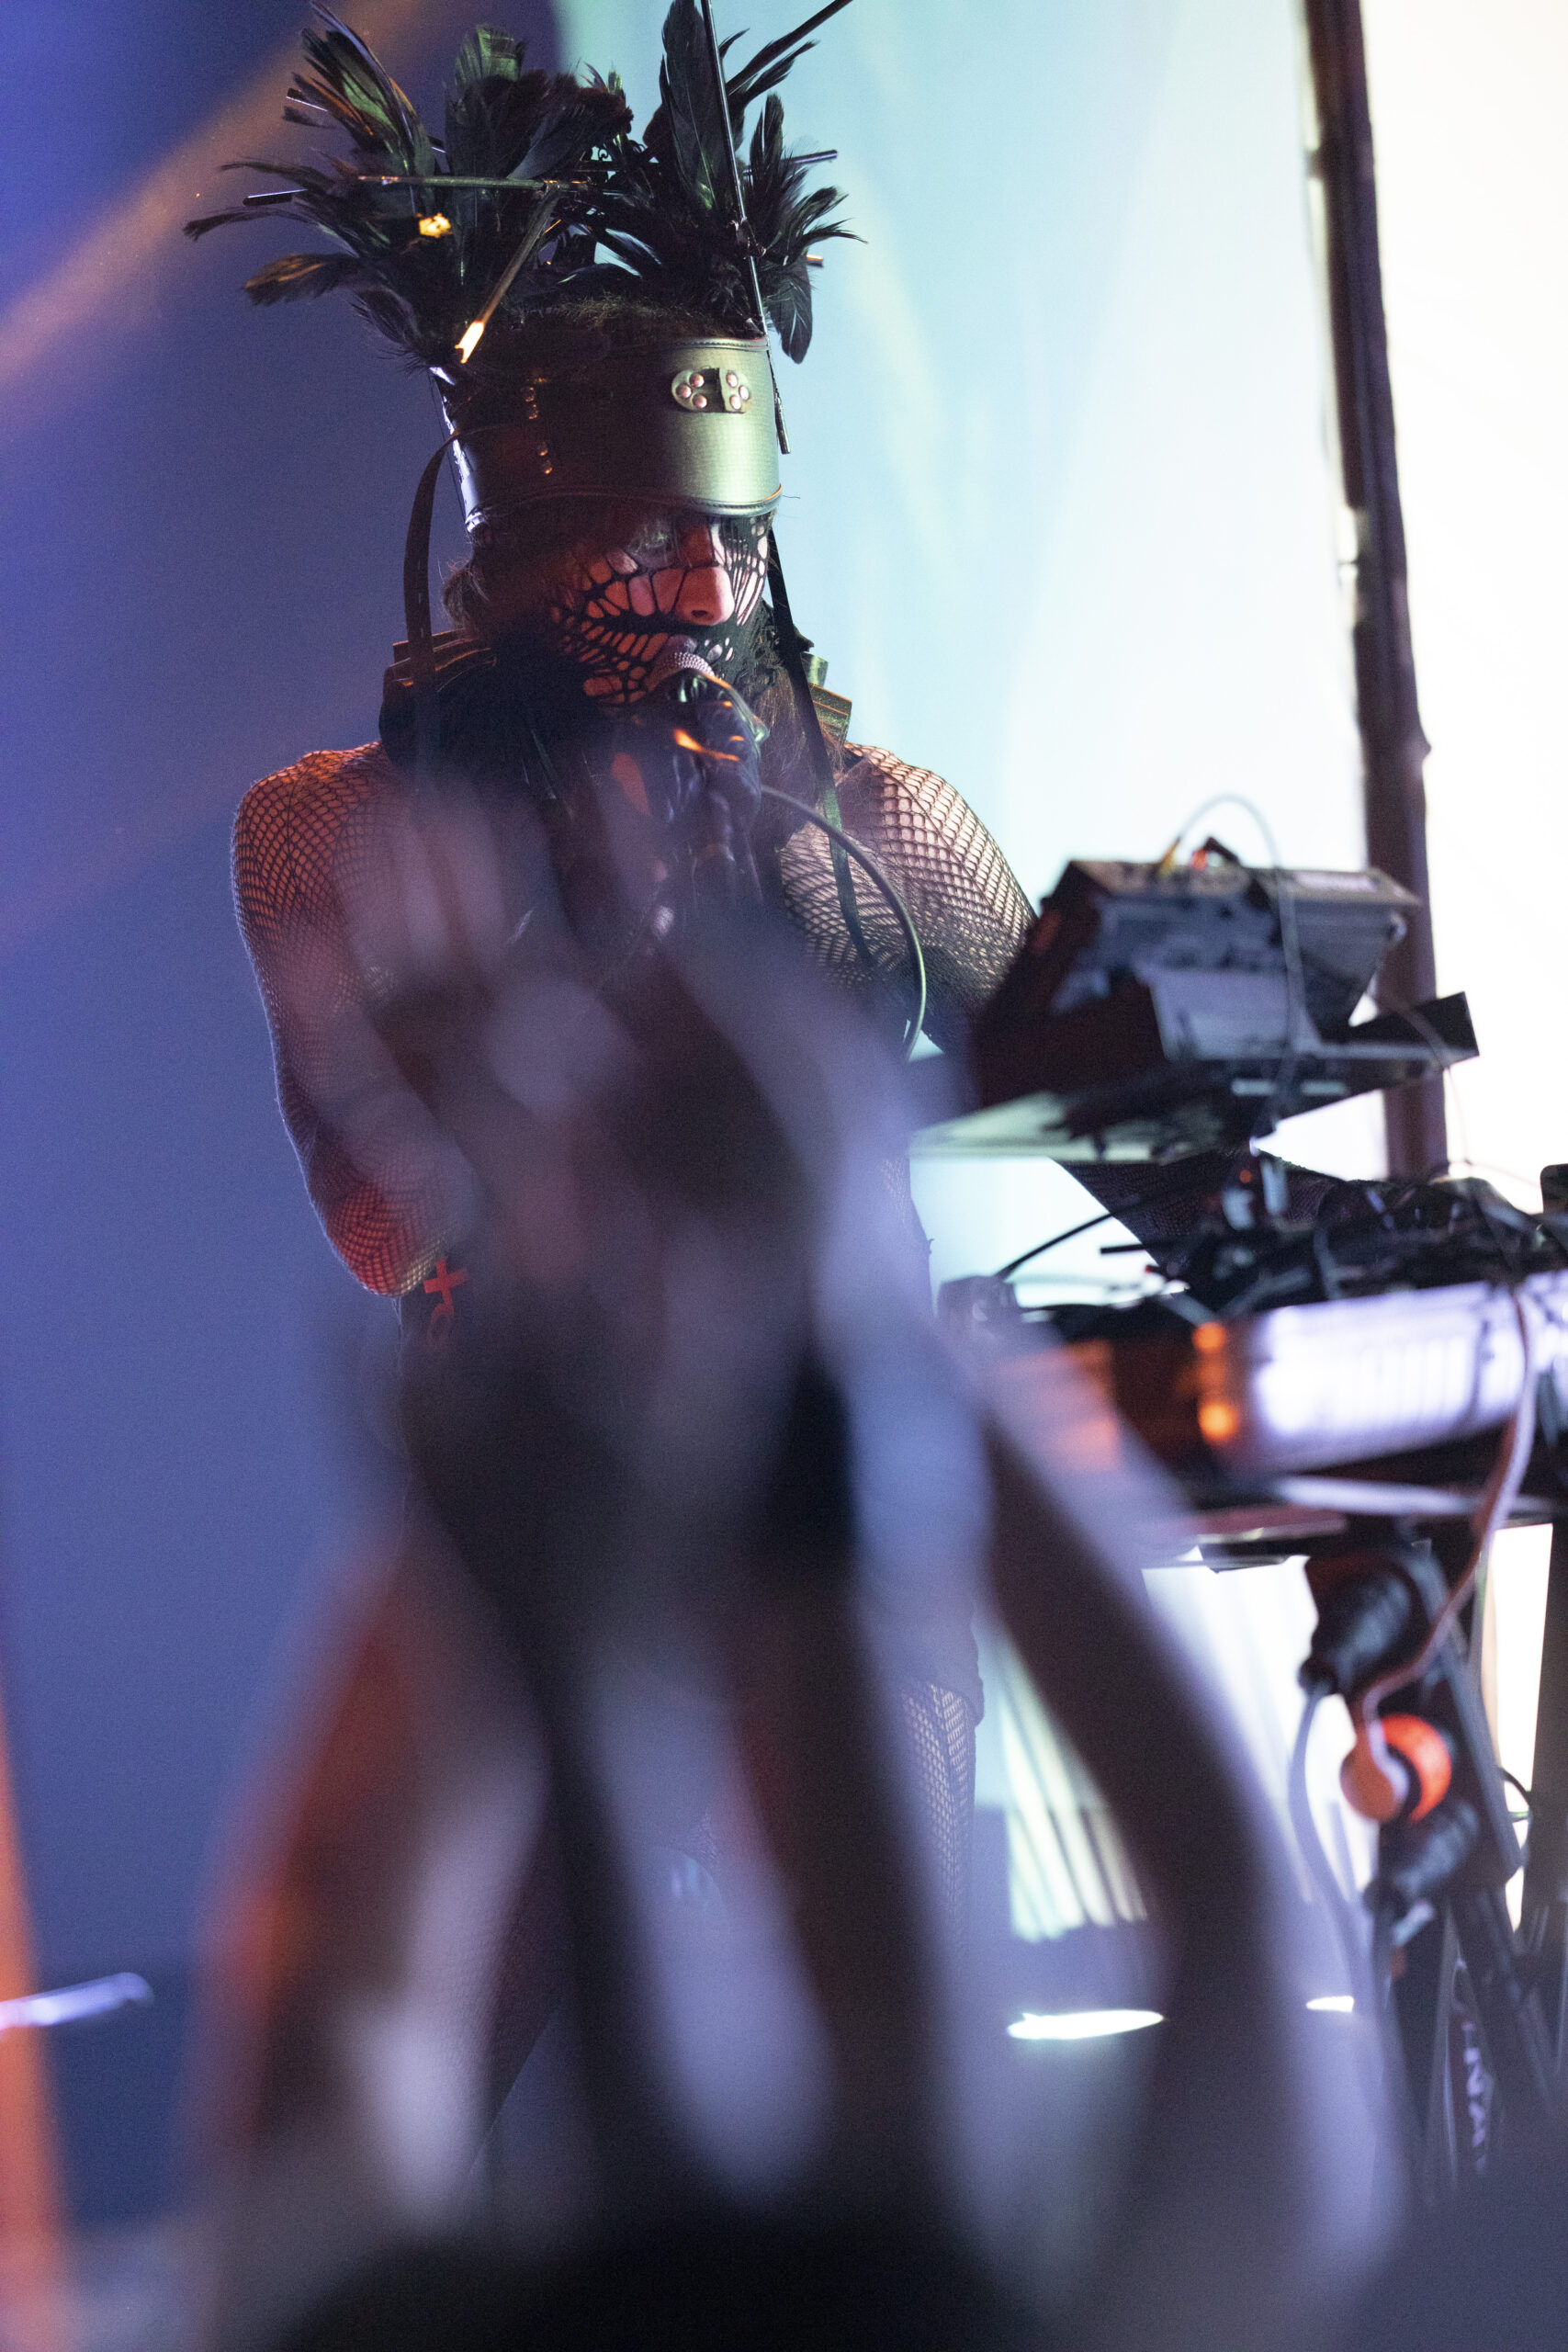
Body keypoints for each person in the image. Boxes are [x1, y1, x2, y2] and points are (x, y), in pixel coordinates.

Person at [190, 0, 1030, 2205]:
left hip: (833, 1503)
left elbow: (1073, 1079)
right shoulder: (334, 829)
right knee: (436, 2081)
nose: (698, 592)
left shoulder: (875, 818)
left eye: (727, 544)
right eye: (640, 546)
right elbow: (379, 1225)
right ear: (510, 553)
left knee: (890, 2093)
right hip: (541, 1497)